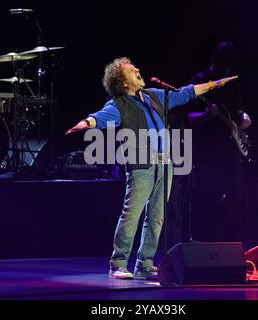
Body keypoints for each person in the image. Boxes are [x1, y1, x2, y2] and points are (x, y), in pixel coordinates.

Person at [66, 57, 237, 279]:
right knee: (132, 214)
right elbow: (99, 118)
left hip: (164, 164)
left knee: (156, 217)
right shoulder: (119, 104)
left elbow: (184, 93)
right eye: (131, 70)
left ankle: (145, 263)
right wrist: (84, 124)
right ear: (123, 82)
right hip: (141, 165)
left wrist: (214, 84)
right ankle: (118, 263)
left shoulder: (154, 95)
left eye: (135, 67)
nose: (138, 69)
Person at [188, 42, 252, 242]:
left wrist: (245, 120)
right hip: (207, 153)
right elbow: (188, 116)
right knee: (208, 198)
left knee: (236, 195)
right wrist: (206, 114)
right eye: (222, 68)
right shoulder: (200, 81)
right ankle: (208, 243)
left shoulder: (231, 83)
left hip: (231, 151)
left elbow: (240, 112)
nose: (225, 72)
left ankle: (227, 241)